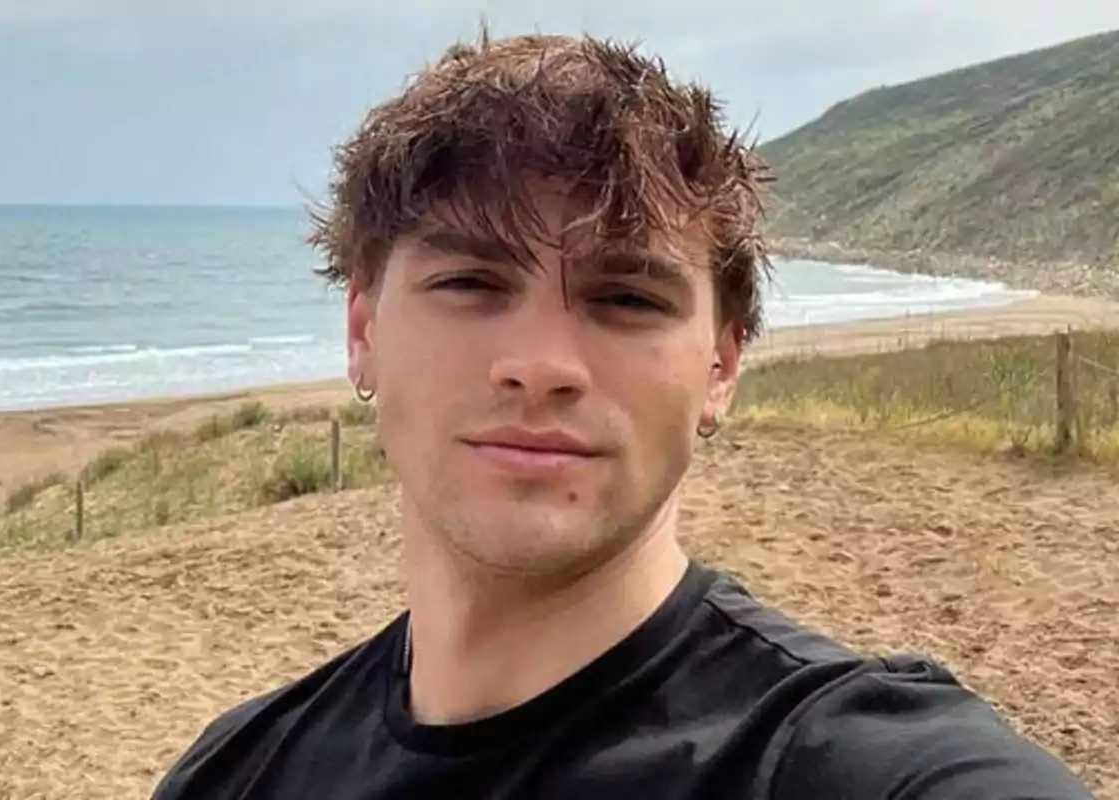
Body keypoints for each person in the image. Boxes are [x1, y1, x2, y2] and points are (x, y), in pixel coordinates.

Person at [151, 29, 1093, 799]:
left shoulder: (847, 764)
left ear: (721, 366)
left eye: (628, 300)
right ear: (363, 332)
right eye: (470, 281)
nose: (540, 366)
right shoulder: (233, 773)